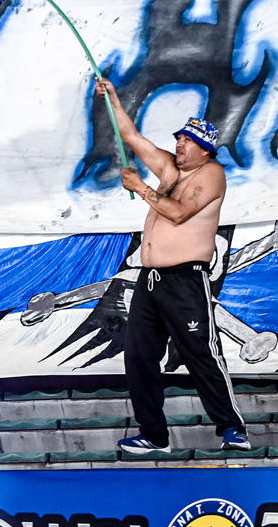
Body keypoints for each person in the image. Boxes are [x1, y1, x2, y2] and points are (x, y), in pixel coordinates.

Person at [95, 78, 249, 455]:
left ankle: (232, 428)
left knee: (201, 353)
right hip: (150, 281)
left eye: (187, 141)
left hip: (185, 281)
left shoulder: (211, 174)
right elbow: (130, 135)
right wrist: (112, 98)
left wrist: (141, 188)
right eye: (178, 138)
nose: (179, 144)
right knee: (138, 357)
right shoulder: (168, 169)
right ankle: (154, 435)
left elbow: (179, 214)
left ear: (205, 150)